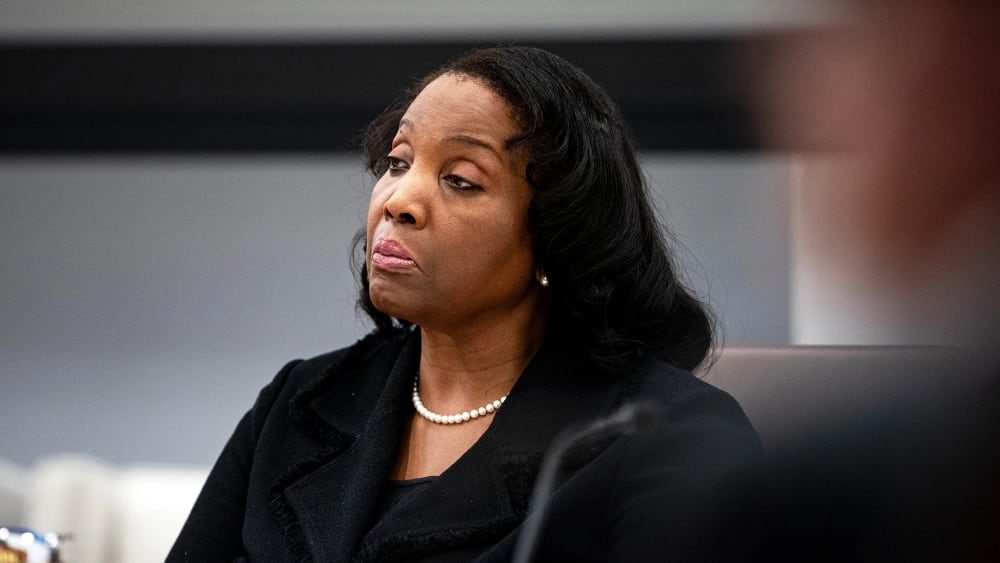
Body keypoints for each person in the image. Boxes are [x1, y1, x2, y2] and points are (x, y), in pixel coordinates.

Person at [167, 46, 760, 562]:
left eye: (461, 179)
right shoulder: (298, 403)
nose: (400, 200)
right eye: (397, 163)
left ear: (558, 237)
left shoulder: (665, 436)